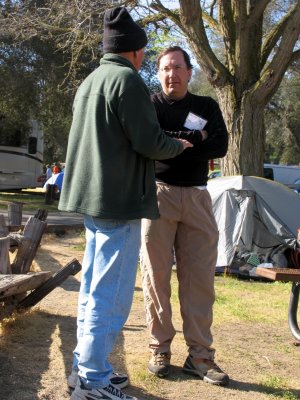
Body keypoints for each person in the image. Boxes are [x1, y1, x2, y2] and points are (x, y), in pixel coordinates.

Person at [58, 9, 193, 400]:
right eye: (143, 53)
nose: (144, 59)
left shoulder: (91, 80)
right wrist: (178, 145)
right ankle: (93, 382)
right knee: (111, 294)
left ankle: (84, 369)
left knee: (91, 289)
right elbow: (149, 142)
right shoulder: (128, 81)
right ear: (134, 51)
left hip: (94, 201)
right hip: (118, 201)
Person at [140, 46, 229, 386]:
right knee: (155, 277)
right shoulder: (150, 106)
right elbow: (148, 143)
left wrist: (173, 140)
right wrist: (195, 137)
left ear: (190, 72)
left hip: (197, 197)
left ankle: (200, 356)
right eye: (165, 68)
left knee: (199, 280)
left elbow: (219, 146)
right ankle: (159, 349)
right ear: (158, 72)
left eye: (177, 67)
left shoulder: (207, 106)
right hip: (157, 195)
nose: (171, 74)